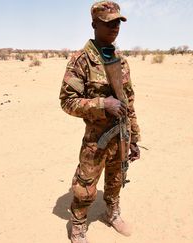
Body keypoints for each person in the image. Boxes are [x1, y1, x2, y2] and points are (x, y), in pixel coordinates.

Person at [59, 1, 141, 242]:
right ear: (94, 24)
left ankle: (112, 213)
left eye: (118, 22)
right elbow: (67, 101)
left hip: (121, 135)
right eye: (108, 22)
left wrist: (134, 138)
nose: (115, 27)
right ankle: (78, 224)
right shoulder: (81, 61)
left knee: (116, 179)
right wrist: (102, 104)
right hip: (96, 139)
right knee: (86, 183)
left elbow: (129, 103)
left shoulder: (121, 61)